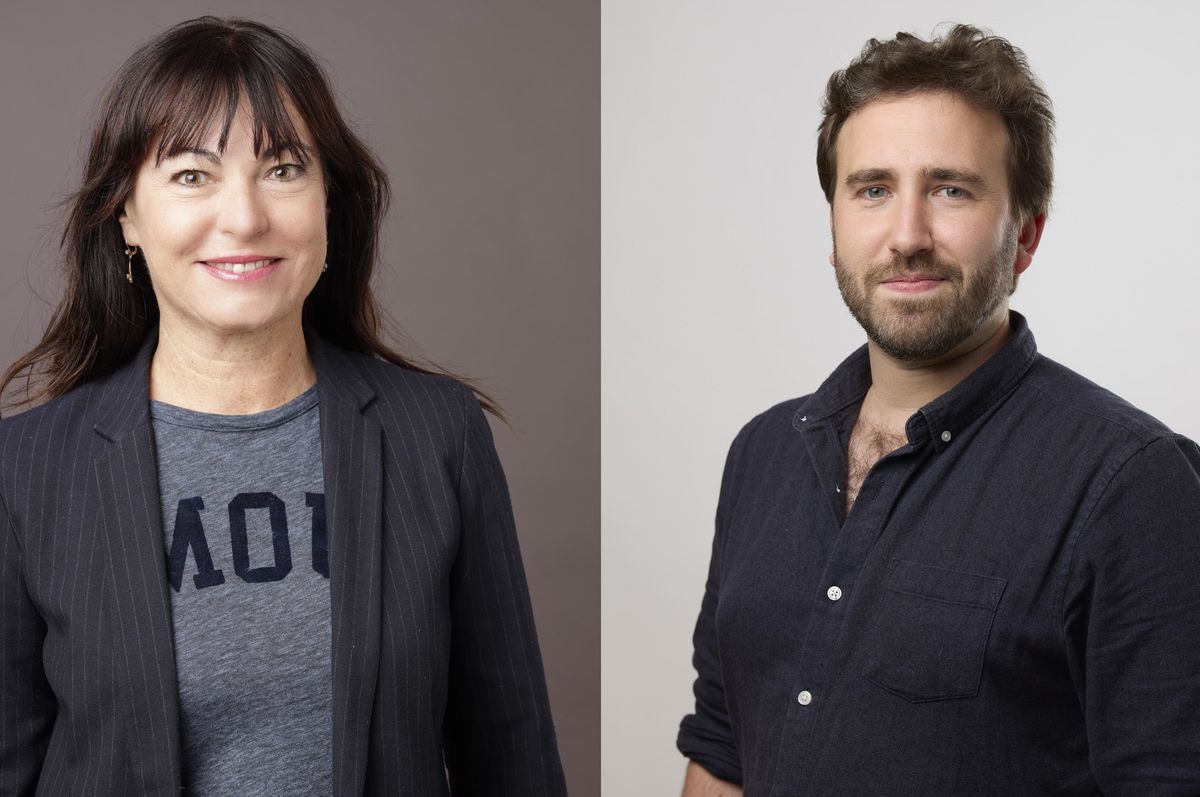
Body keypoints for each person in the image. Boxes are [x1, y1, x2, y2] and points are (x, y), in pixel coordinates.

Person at [0, 16, 566, 796]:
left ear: (328, 200)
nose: (244, 217)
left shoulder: (438, 436)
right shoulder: (27, 469)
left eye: (283, 168)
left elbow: (514, 759)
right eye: (192, 175)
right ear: (126, 215)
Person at [677, 24, 1200, 796]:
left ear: (1024, 235)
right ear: (834, 226)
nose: (907, 235)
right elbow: (723, 748)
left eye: (951, 188)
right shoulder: (760, 453)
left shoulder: (1132, 484)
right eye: (873, 188)